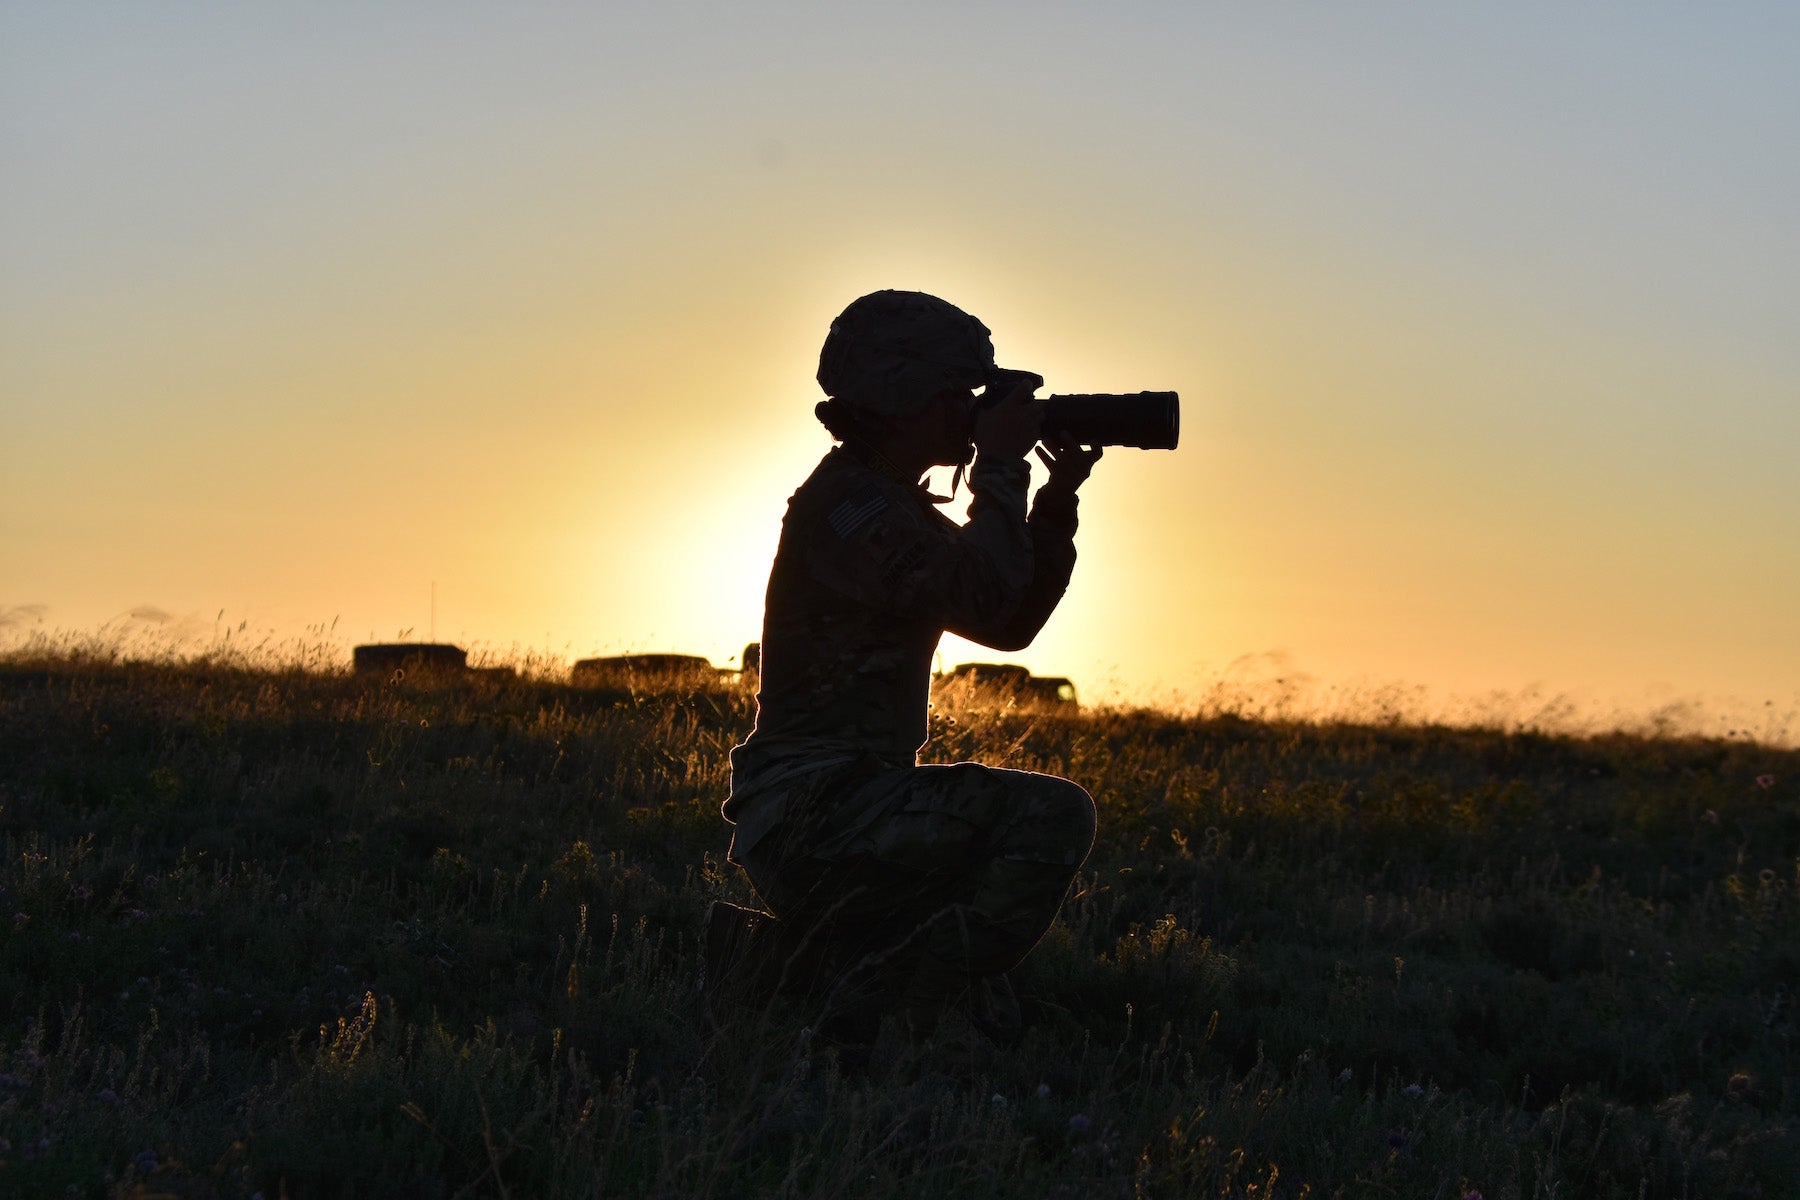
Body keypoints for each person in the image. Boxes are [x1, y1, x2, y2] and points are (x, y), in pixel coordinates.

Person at [708, 289, 1101, 1052]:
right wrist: (1000, 468)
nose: (971, 412)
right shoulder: (854, 510)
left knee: (983, 965)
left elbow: (1009, 623)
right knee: (1051, 815)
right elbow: (987, 600)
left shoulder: (886, 504)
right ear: (903, 396)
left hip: (847, 804)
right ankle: (886, 1011)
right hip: (814, 814)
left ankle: (802, 970)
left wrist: (1055, 503)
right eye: (958, 394)